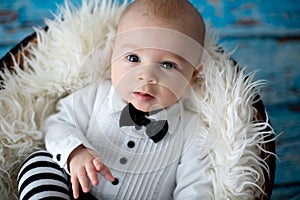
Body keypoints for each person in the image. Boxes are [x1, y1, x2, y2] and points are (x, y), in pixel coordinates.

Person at [18, 0, 213, 199]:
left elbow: (195, 186)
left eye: (168, 65)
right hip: (77, 192)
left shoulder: (191, 128)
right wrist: (75, 152)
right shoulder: (96, 95)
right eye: (133, 58)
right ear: (113, 53)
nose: (146, 76)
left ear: (192, 75)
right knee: (39, 163)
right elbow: (58, 123)